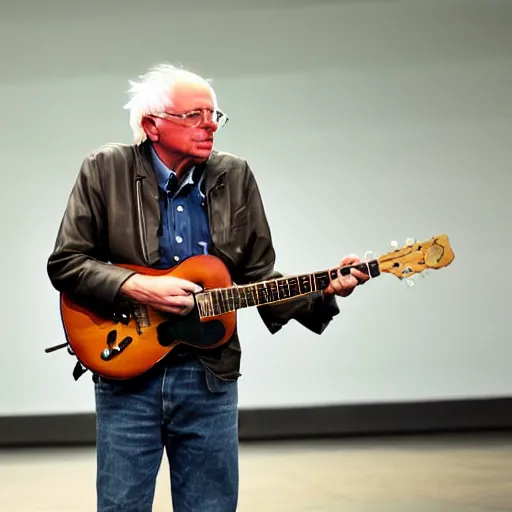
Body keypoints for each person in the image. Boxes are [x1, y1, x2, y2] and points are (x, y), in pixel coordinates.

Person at [46, 63, 370, 512]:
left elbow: (259, 276)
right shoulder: (106, 169)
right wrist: (137, 286)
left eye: (214, 114)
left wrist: (325, 293)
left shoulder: (234, 176)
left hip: (210, 376)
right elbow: (66, 263)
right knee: (121, 505)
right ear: (151, 125)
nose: (209, 125)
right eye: (194, 115)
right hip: (126, 370)